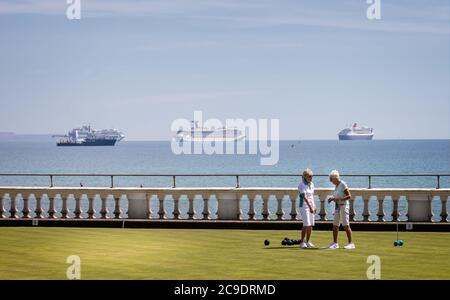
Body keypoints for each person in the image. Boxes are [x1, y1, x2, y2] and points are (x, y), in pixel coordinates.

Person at [327, 170, 355, 250]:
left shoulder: (342, 184)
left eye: (331, 180)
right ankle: (335, 243)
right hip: (337, 207)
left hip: (344, 206)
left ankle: (351, 243)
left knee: (346, 225)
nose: (331, 182)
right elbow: (337, 197)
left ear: (335, 178)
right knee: (335, 225)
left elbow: (349, 196)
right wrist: (333, 199)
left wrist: (338, 199)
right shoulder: (336, 186)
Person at [298, 168, 316, 249]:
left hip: (311, 205)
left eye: (312, 176)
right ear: (305, 176)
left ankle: (308, 241)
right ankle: (302, 242)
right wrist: (310, 207)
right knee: (306, 224)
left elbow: (311, 196)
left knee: (310, 225)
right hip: (304, 206)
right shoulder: (301, 185)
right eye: (309, 176)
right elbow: (304, 197)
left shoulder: (311, 184)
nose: (311, 177)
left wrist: (314, 205)